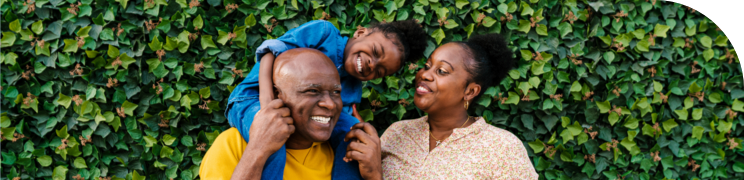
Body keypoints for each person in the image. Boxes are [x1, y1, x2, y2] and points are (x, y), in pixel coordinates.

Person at [347, 33, 539, 179]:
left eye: (441, 71)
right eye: (427, 65)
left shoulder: (502, 148)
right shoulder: (398, 133)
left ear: (470, 91)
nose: (425, 74)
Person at [226, 19, 428, 146]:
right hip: (251, 100)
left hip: (292, 117)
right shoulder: (324, 34)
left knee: (351, 139)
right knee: (273, 139)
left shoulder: (353, 86)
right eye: (374, 52)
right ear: (360, 33)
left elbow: (337, 118)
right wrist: (266, 102)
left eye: (380, 71)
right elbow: (270, 50)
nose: (370, 65)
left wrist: (354, 127)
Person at [199, 48, 378, 180]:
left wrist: (375, 175)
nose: (330, 104)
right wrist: (258, 150)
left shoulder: (345, 153)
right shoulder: (234, 145)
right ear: (277, 95)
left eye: (336, 92)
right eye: (312, 91)